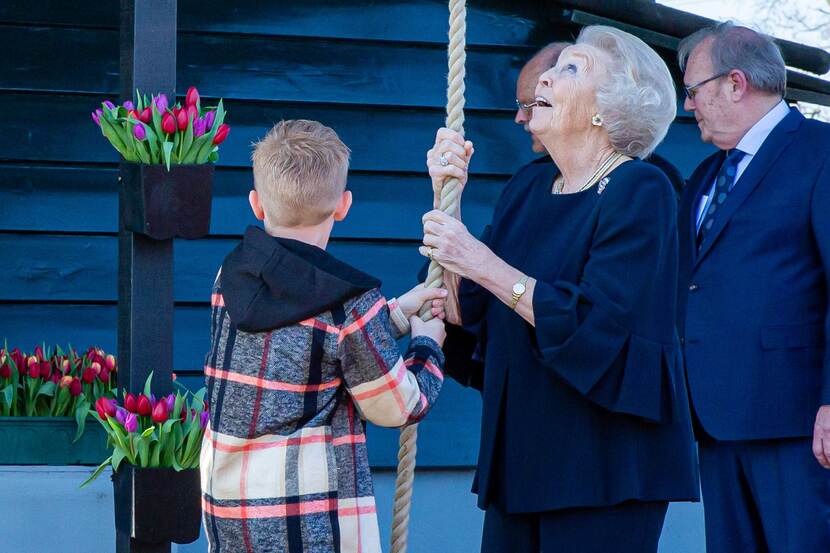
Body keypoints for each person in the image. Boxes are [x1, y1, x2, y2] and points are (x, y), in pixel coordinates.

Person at [421, 26, 699, 553]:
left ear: (608, 107)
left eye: (572, 68)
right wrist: (447, 198)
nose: (545, 75)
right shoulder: (528, 186)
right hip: (522, 458)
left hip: (603, 467)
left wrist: (479, 260)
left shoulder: (642, 189)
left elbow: (598, 328)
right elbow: (464, 311)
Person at [200, 119, 448, 553]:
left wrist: (394, 316)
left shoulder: (231, 276)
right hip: (308, 517)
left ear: (256, 204)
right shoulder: (348, 302)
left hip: (231, 508)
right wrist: (427, 344)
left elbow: (300, 350)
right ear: (344, 205)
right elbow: (397, 405)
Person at [677, 22, 830, 552]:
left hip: (799, 426)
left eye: (693, 90)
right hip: (717, 425)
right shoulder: (704, 177)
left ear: (735, 82)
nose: (688, 104)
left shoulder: (821, 152)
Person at [516, 42, 686, 194]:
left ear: (606, 107)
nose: (519, 117)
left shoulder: (642, 184)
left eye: (531, 103)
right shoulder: (527, 181)